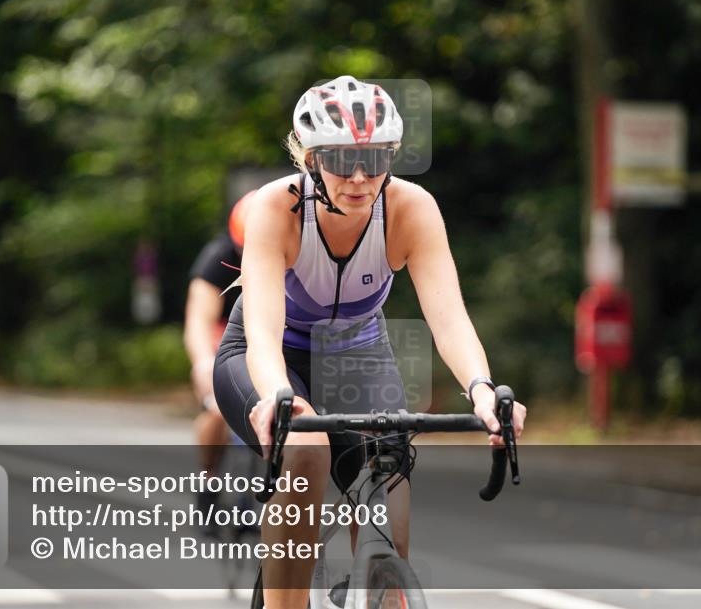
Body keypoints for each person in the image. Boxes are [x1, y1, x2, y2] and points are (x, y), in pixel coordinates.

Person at [212, 76, 528, 608]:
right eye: (339, 159)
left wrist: (481, 390)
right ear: (310, 158)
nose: (359, 177)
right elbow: (264, 328)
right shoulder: (276, 208)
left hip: (357, 352)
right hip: (266, 353)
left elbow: (448, 316)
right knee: (306, 449)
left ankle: (378, 588)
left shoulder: (411, 208)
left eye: (376, 158)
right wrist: (275, 398)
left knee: (390, 462)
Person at [184, 191, 254, 508]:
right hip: (224, 332)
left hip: (272, 330)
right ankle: (209, 478)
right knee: (216, 408)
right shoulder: (218, 256)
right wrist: (202, 363)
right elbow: (199, 320)